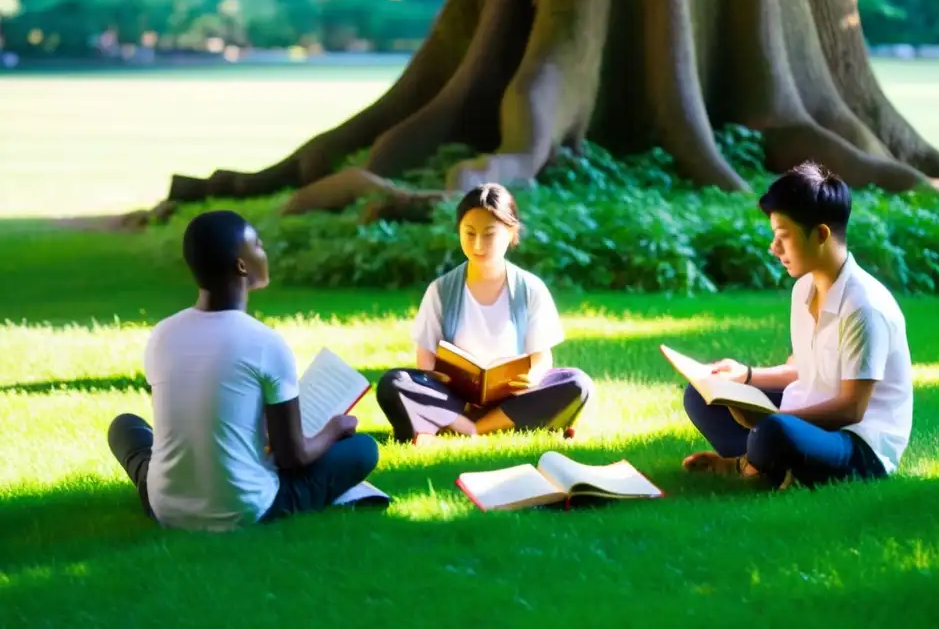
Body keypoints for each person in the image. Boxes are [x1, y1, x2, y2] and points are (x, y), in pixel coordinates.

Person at [106, 210, 379, 531]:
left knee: (124, 427)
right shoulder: (265, 343)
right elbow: (293, 457)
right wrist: (333, 430)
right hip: (244, 509)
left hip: (165, 506)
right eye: (259, 246)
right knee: (363, 449)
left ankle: (163, 488)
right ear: (241, 265)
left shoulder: (162, 334)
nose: (265, 253)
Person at [681, 162, 913, 490]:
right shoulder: (804, 289)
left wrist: (772, 420)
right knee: (701, 396)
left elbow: (852, 408)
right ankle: (767, 462)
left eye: (783, 238)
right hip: (806, 419)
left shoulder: (865, 306)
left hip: (858, 445)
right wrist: (743, 376)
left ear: (820, 234)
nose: (773, 249)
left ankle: (748, 463)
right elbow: (802, 368)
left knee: (774, 432)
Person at [376, 183, 594, 443]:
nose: (478, 244)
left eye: (489, 234)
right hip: (454, 397)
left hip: (513, 397)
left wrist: (532, 379)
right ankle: (471, 424)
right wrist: (440, 379)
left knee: (577, 383)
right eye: (469, 233)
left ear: (511, 233)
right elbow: (426, 358)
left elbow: (541, 358)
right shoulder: (441, 290)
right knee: (394, 382)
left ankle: (468, 428)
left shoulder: (531, 289)